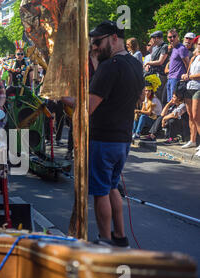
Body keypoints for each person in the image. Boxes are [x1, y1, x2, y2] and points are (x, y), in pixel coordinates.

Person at [88, 20, 144, 247]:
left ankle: (105, 240)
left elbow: (87, 108)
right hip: (122, 138)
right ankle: (120, 237)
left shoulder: (109, 66)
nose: (94, 47)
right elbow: (140, 98)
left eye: (97, 42)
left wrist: (67, 101)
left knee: (101, 191)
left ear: (113, 38)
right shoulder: (134, 63)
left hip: (103, 138)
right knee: (111, 187)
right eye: (92, 43)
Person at [181, 36, 200, 155]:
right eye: (198, 43)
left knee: (196, 115)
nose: (199, 45)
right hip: (189, 87)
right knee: (190, 116)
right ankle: (192, 140)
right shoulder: (194, 57)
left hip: (198, 87)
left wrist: (189, 76)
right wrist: (185, 75)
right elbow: (188, 72)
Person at [132, 74, 162, 139]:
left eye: (149, 91)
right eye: (145, 91)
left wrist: (138, 111)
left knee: (143, 117)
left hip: (155, 121)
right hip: (149, 118)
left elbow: (148, 113)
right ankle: (132, 132)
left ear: (152, 91)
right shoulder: (145, 98)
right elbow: (143, 110)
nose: (147, 92)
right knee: (136, 116)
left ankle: (137, 133)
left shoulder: (154, 100)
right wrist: (138, 113)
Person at [144, 31, 169, 104]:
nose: (151, 40)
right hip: (152, 74)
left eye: (152, 38)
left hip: (160, 74)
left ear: (157, 38)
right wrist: (148, 65)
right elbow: (152, 59)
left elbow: (160, 61)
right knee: (152, 94)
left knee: (159, 95)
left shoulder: (164, 46)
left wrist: (148, 63)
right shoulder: (155, 47)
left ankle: (160, 112)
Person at [165, 29, 190, 103]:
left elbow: (187, 63)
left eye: (174, 36)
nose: (172, 38)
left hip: (177, 78)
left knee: (175, 102)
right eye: (170, 37)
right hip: (170, 77)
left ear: (178, 37)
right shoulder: (174, 48)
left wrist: (187, 75)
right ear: (167, 38)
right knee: (170, 102)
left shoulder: (181, 48)